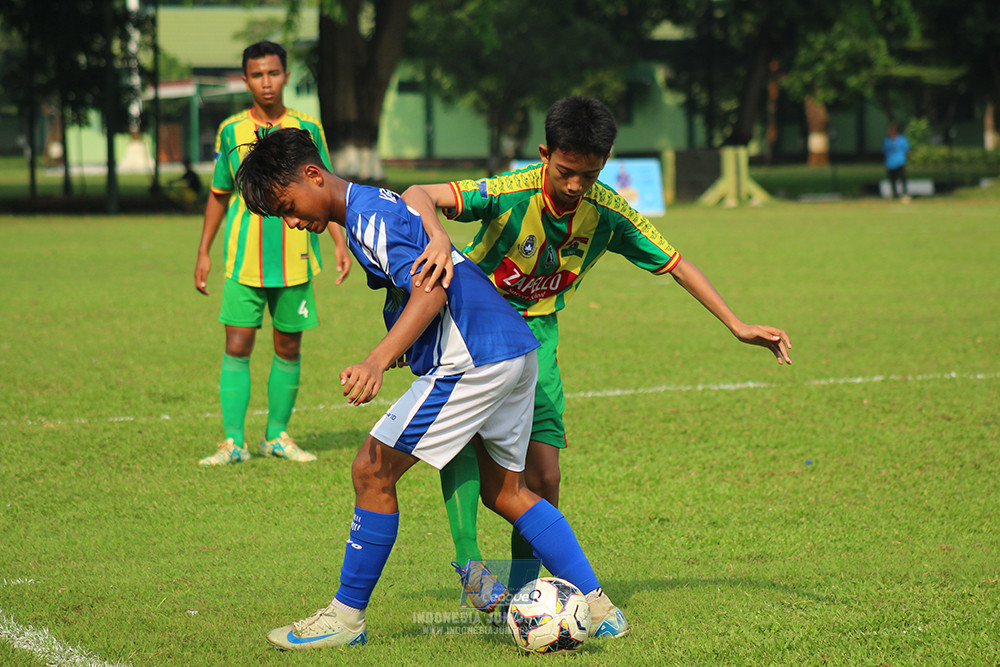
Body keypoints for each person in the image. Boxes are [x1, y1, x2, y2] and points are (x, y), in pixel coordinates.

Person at [232, 126, 629, 650]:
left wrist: (377, 359)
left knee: (370, 470)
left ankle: (345, 617)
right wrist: (406, 348)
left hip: (477, 357)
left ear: (312, 174)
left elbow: (433, 289)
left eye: (286, 205)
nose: (291, 220)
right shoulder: (374, 206)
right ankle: (598, 606)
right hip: (511, 347)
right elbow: (426, 279)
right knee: (506, 492)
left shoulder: (369, 218)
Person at [401, 96, 793, 608]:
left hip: (539, 341)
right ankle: (471, 560)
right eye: (565, 172)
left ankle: (523, 592)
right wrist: (436, 237)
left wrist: (737, 324)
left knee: (544, 476)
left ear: (604, 164)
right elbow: (416, 193)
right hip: (472, 329)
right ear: (545, 154)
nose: (574, 186)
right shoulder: (508, 191)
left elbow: (675, 263)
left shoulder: (607, 211)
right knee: (467, 441)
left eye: (588, 175)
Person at [194, 41, 351, 466]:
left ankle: (277, 435)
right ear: (246, 80)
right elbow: (218, 194)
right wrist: (203, 251)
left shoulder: (307, 128)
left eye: (274, 73)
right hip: (243, 259)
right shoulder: (231, 131)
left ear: (285, 74)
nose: (267, 82)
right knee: (237, 344)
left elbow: (327, 190)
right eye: (258, 75)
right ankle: (233, 442)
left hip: (295, 256)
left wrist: (340, 241)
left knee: (288, 346)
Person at [883, 122, 911, 202]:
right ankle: (895, 194)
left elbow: (907, 149)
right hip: (890, 162)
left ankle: (905, 193)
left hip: (900, 161)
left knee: (903, 178)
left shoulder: (902, 139)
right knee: (892, 179)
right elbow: (885, 151)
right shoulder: (887, 140)